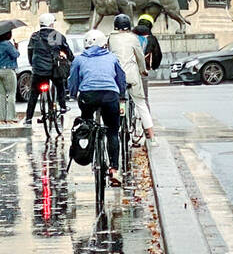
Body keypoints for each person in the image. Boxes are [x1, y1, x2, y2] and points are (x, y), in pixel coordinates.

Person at [67, 29, 127, 188]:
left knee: (87, 125)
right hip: (110, 95)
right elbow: (121, 78)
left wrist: (73, 94)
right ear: (103, 44)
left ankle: (91, 150)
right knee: (113, 132)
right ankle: (114, 169)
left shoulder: (79, 60)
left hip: (88, 96)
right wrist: (121, 94)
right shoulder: (112, 57)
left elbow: (73, 81)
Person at [107, 14, 154, 138]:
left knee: (114, 102)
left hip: (116, 76)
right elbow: (139, 57)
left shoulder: (110, 38)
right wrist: (143, 70)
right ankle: (152, 136)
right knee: (141, 104)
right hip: (131, 76)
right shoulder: (133, 38)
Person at [24, 13, 72, 121]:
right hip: (54, 69)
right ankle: (63, 106)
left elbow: (30, 52)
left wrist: (33, 64)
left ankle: (28, 118)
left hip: (39, 70)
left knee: (34, 93)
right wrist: (70, 59)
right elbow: (67, 50)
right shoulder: (56, 36)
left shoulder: (35, 36)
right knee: (60, 86)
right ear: (51, 24)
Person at [0, 27, 20, 122]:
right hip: (8, 70)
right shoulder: (7, 44)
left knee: (2, 95)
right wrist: (16, 48)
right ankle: (11, 117)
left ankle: (1, 117)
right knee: (12, 94)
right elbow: (15, 55)